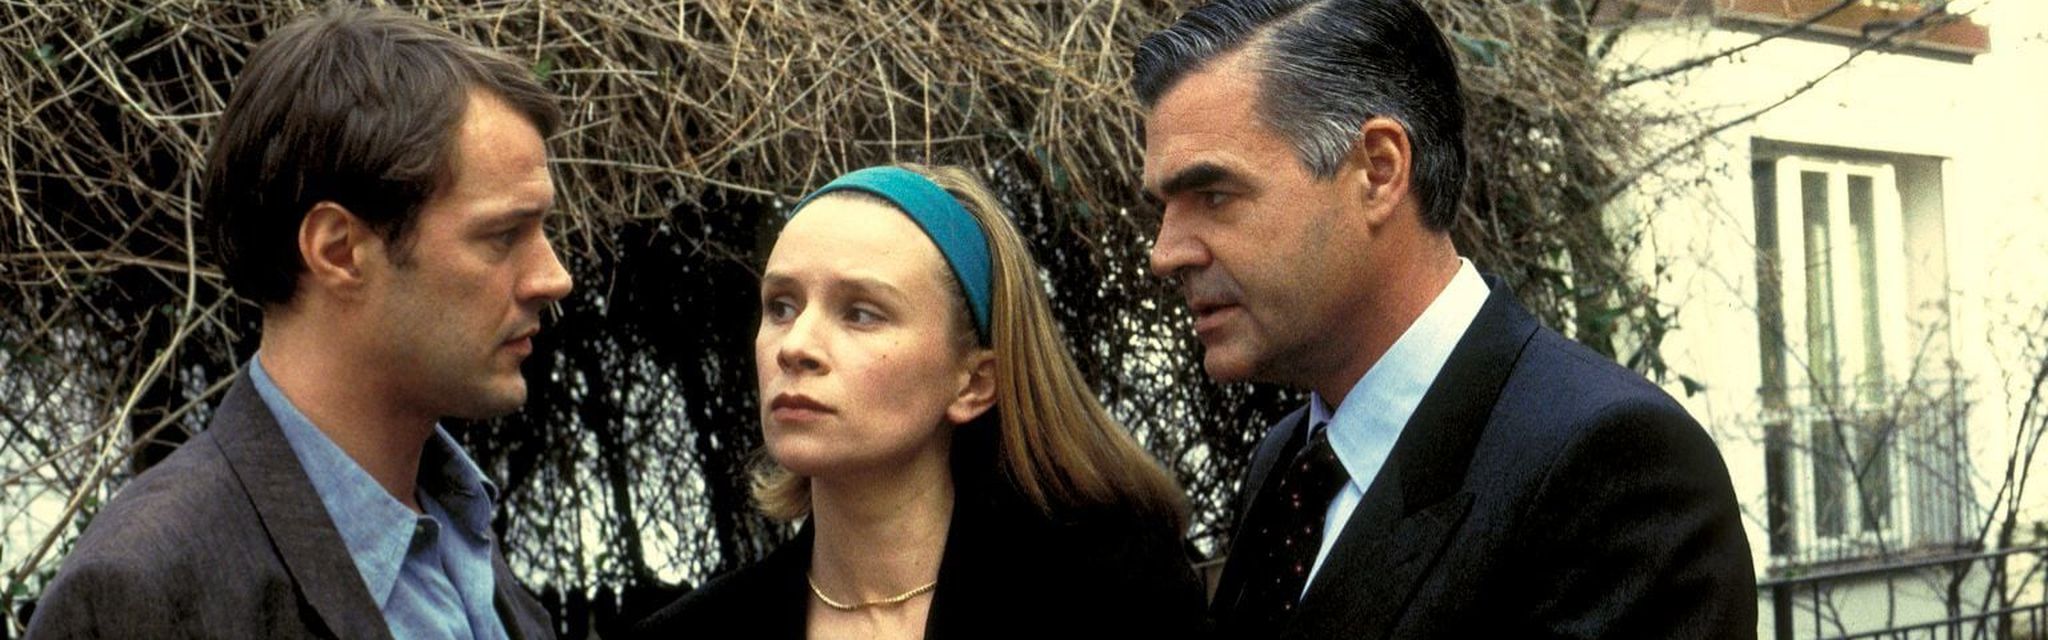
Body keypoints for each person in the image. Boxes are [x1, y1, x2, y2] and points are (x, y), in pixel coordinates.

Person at [1132, 0, 1756, 637]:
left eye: (1214, 195)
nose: (1164, 254)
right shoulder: (1288, 464)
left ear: (1379, 171)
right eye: (1165, 208)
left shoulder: (1612, 467)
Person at [26, 6, 568, 639]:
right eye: (503, 235)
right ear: (338, 250)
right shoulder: (144, 596)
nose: (553, 277)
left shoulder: (459, 536)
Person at [636, 164, 1206, 639]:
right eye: (781, 306)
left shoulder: (1109, 601)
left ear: (974, 383)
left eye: (861, 313)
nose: (796, 346)